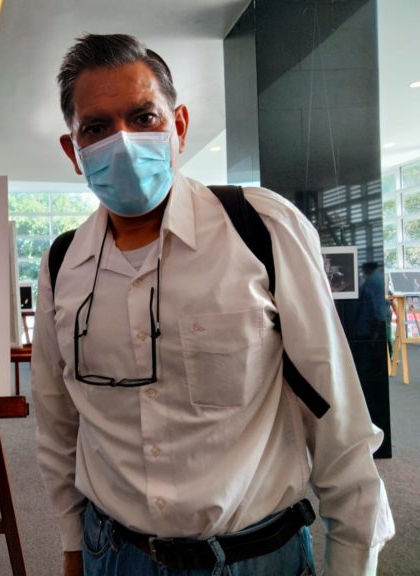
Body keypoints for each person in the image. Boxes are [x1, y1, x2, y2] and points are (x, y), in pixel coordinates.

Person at [32, 33, 394, 576]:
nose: (123, 141)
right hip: (114, 555)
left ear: (178, 126)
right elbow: (57, 421)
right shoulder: (63, 265)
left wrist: (354, 556)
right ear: (74, 151)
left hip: (256, 558)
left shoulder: (261, 227)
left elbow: (335, 412)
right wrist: (70, 544)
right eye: (97, 127)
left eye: (143, 117)